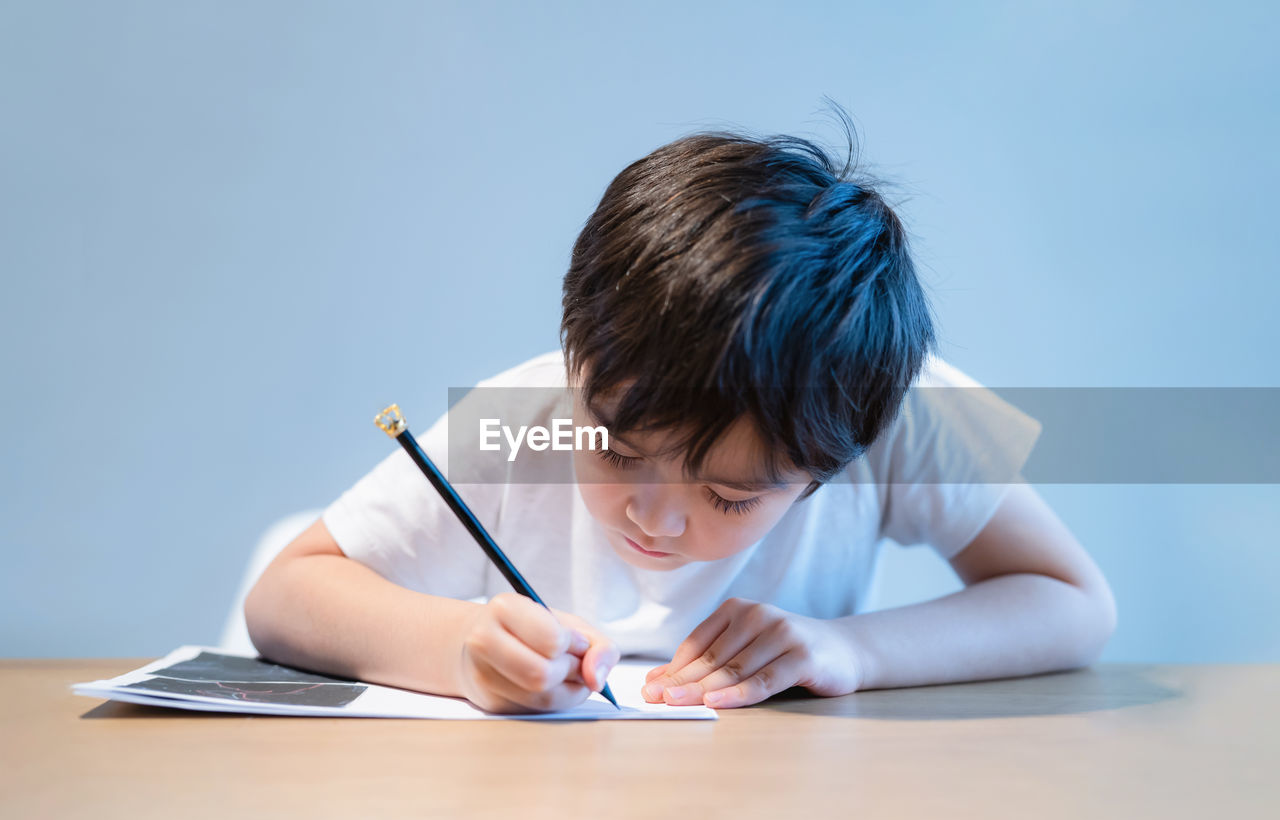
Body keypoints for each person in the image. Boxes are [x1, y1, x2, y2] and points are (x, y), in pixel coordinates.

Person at [245, 111, 1116, 714]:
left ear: (836, 459)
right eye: (618, 451)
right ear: (579, 363)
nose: (654, 517)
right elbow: (283, 597)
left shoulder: (889, 410)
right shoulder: (522, 418)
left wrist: (855, 651)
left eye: (732, 497)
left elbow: (1073, 603)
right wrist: (459, 647)